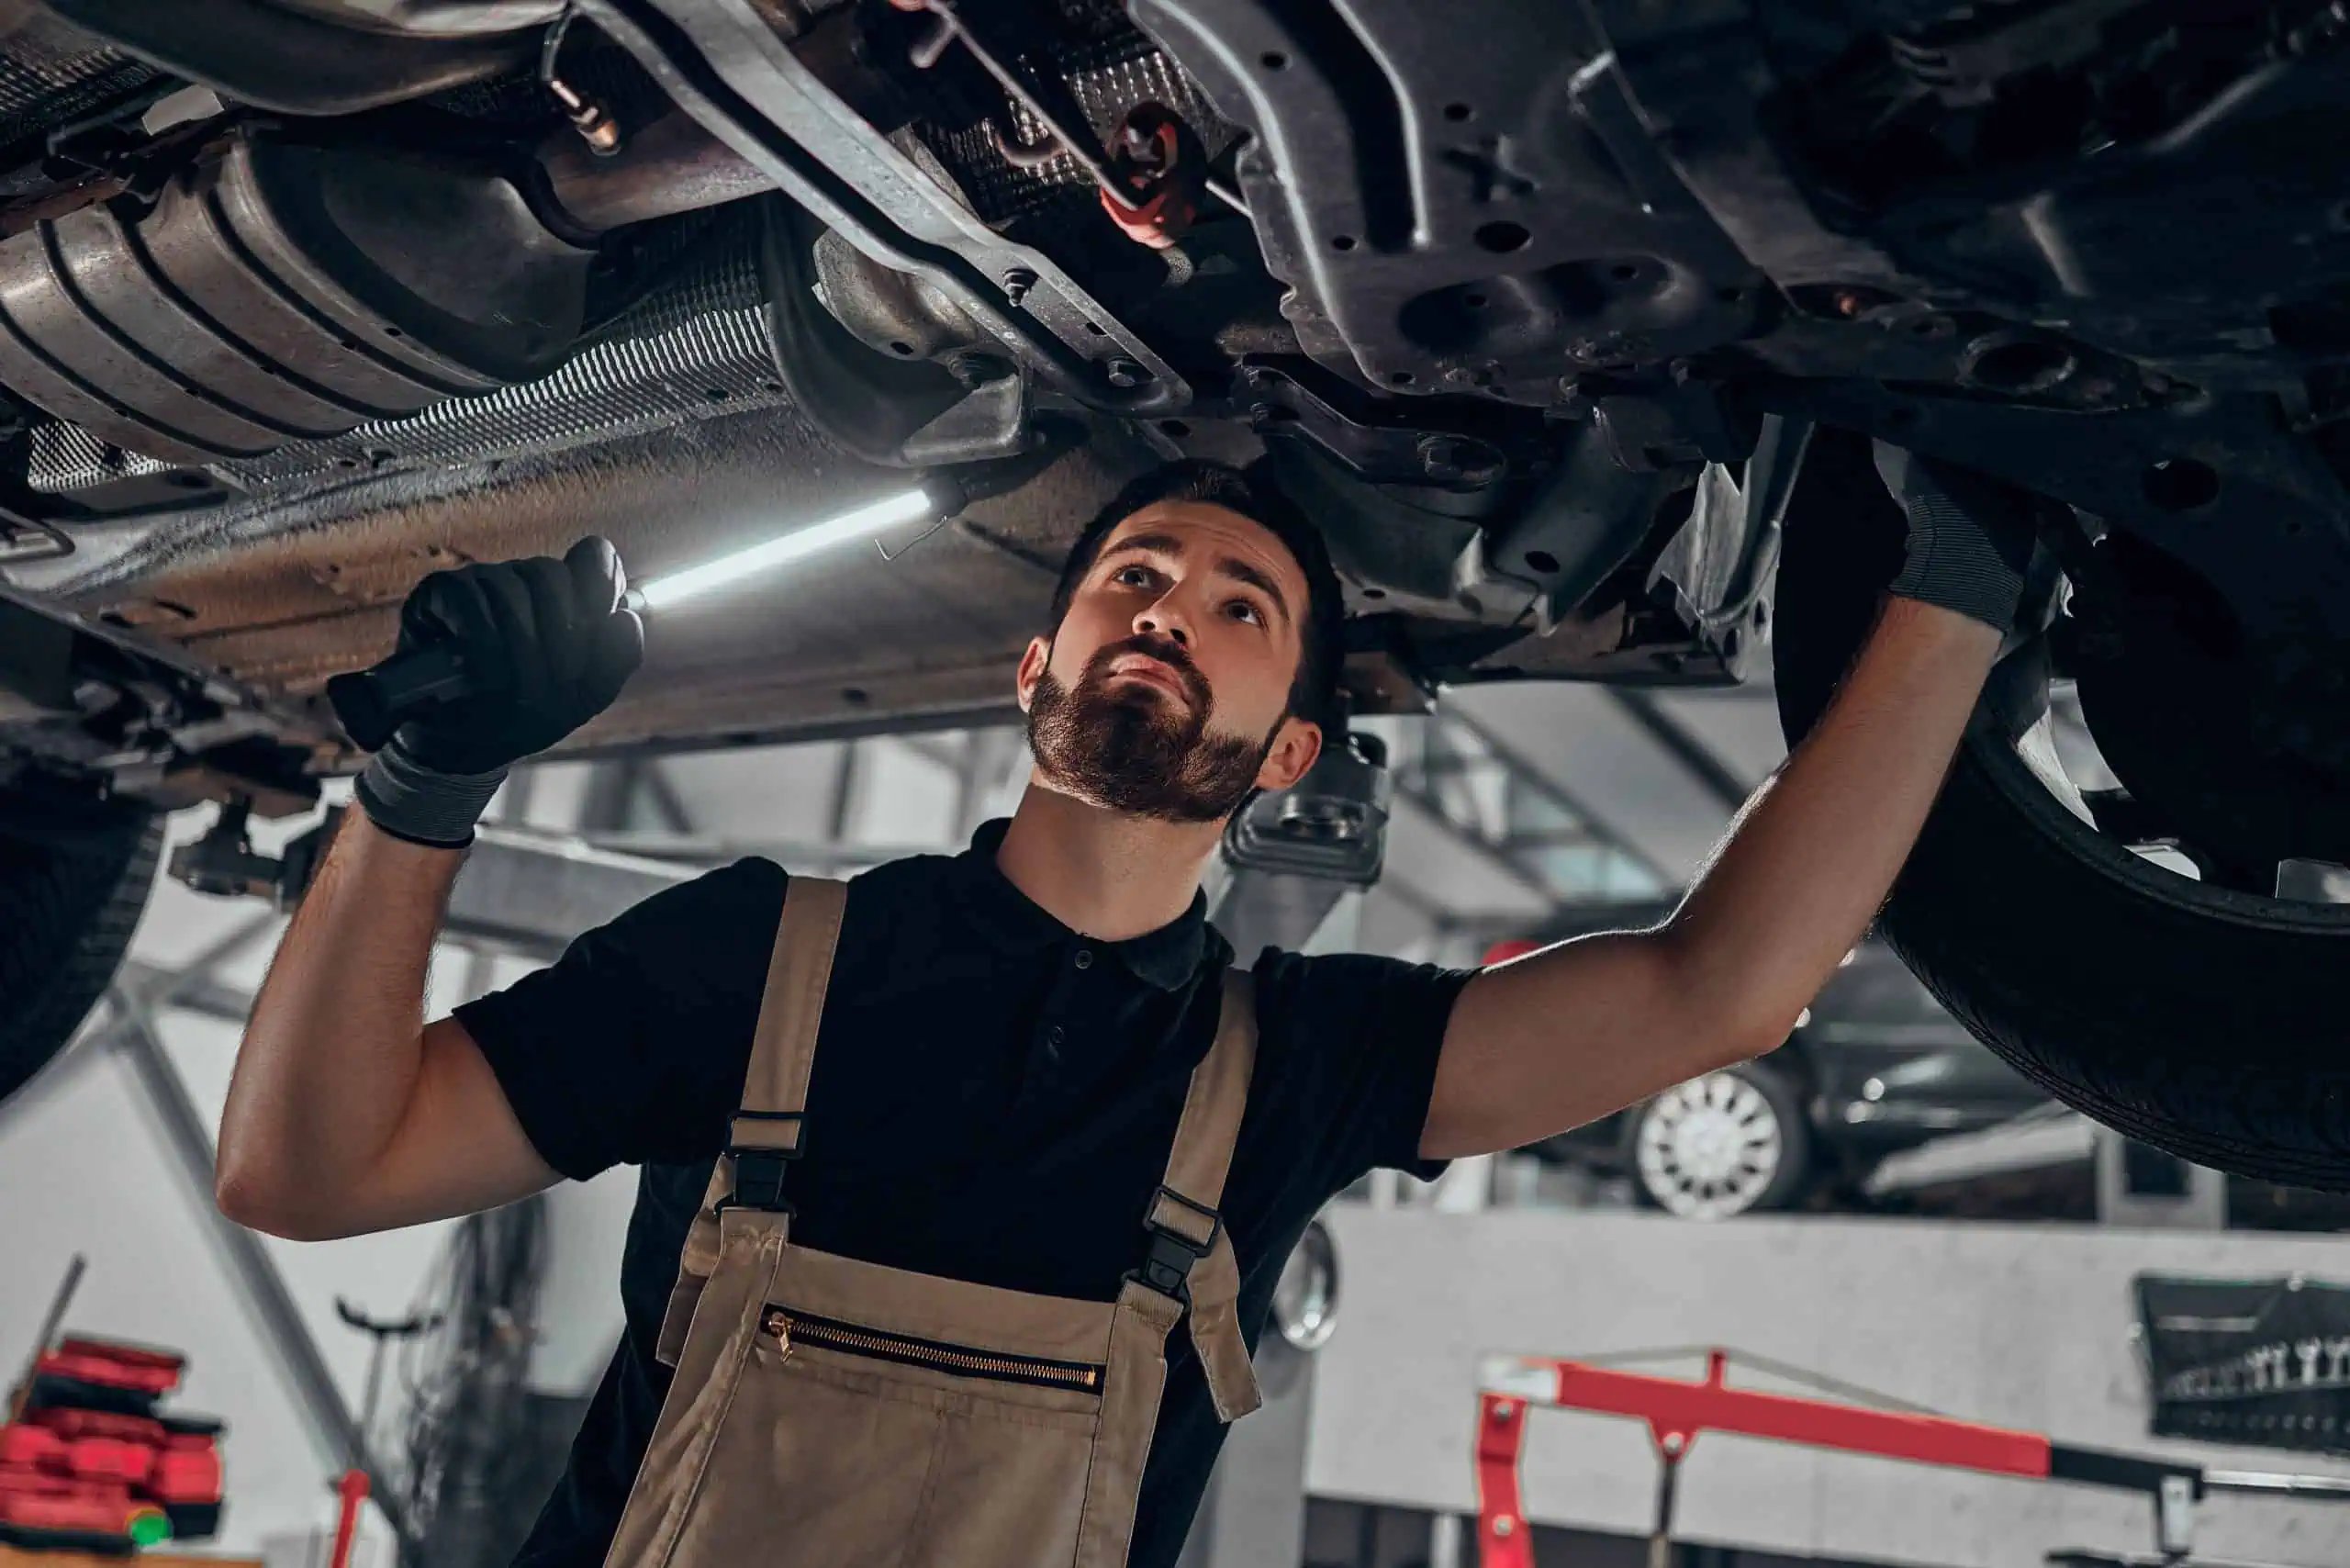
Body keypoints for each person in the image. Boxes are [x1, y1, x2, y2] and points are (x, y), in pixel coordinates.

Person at [215, 449, 2036, 1568]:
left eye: (1240, 606)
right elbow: (304, 1169)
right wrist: (420, 787)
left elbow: (1720, 986)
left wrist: (1950, 584)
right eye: (1131, 578)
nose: (1171, 609)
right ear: (1038, 669)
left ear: (1286, 750)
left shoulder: (1295, 1070)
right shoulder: (758, 956)